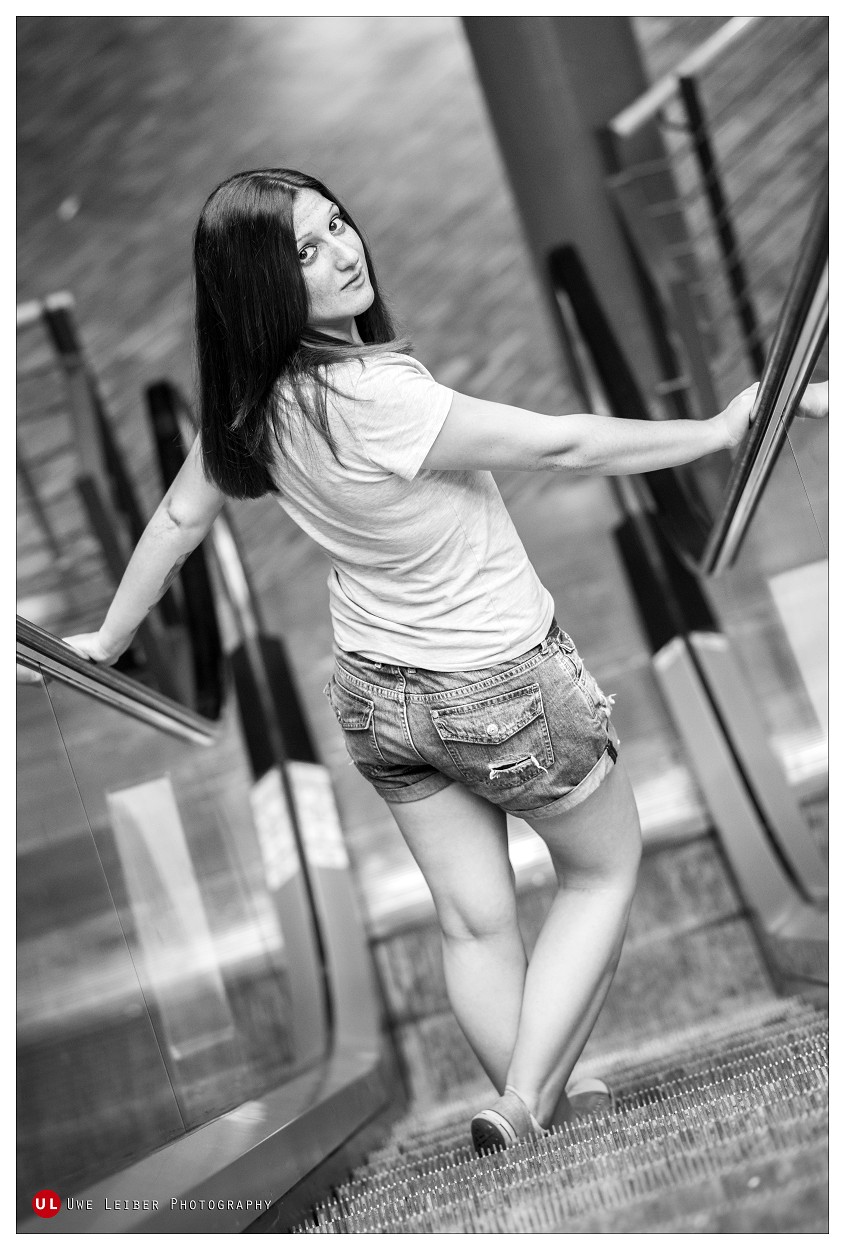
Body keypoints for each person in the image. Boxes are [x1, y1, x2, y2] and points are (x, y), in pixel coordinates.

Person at [65, 168, 760, 1154]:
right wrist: (716, 429)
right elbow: (560, 446)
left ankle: (535, 1109)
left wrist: (108, 635)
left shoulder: (252, 403)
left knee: (474, 922)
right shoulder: (374, 396)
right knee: (601, 871)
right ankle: (524, 1100)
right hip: (498, 686)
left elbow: (180, 516)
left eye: (336, 224)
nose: (344, 252)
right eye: (304, 252)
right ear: (263, 285)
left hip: (376, 698)